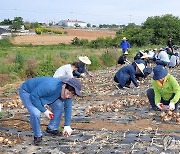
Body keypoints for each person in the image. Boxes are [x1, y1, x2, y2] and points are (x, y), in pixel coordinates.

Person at [18, 77, 82, 146]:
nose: (67, 96)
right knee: (35, 113)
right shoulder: (51, 87)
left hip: (44, 95)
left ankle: (52, 128)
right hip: (28, 92)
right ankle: (37, 136)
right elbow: (33, 97)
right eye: (67, 93)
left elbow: (68, 108)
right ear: (64, 86)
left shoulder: (68, 95)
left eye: (71, 95)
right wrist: (44, 110)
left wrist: (67, 125)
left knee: (59, 105)